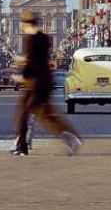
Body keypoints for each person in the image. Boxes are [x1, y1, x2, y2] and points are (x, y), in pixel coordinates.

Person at [11, 11, 82, 156]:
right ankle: (21, 145)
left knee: (41, 116)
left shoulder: (31, 39)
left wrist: (21, 76)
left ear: (25, 23)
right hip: (42, 82)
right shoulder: (43, 38)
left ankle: (70, 138)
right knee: (28, 114)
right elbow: (39, 59)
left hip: (36, 83)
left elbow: (33, 62)